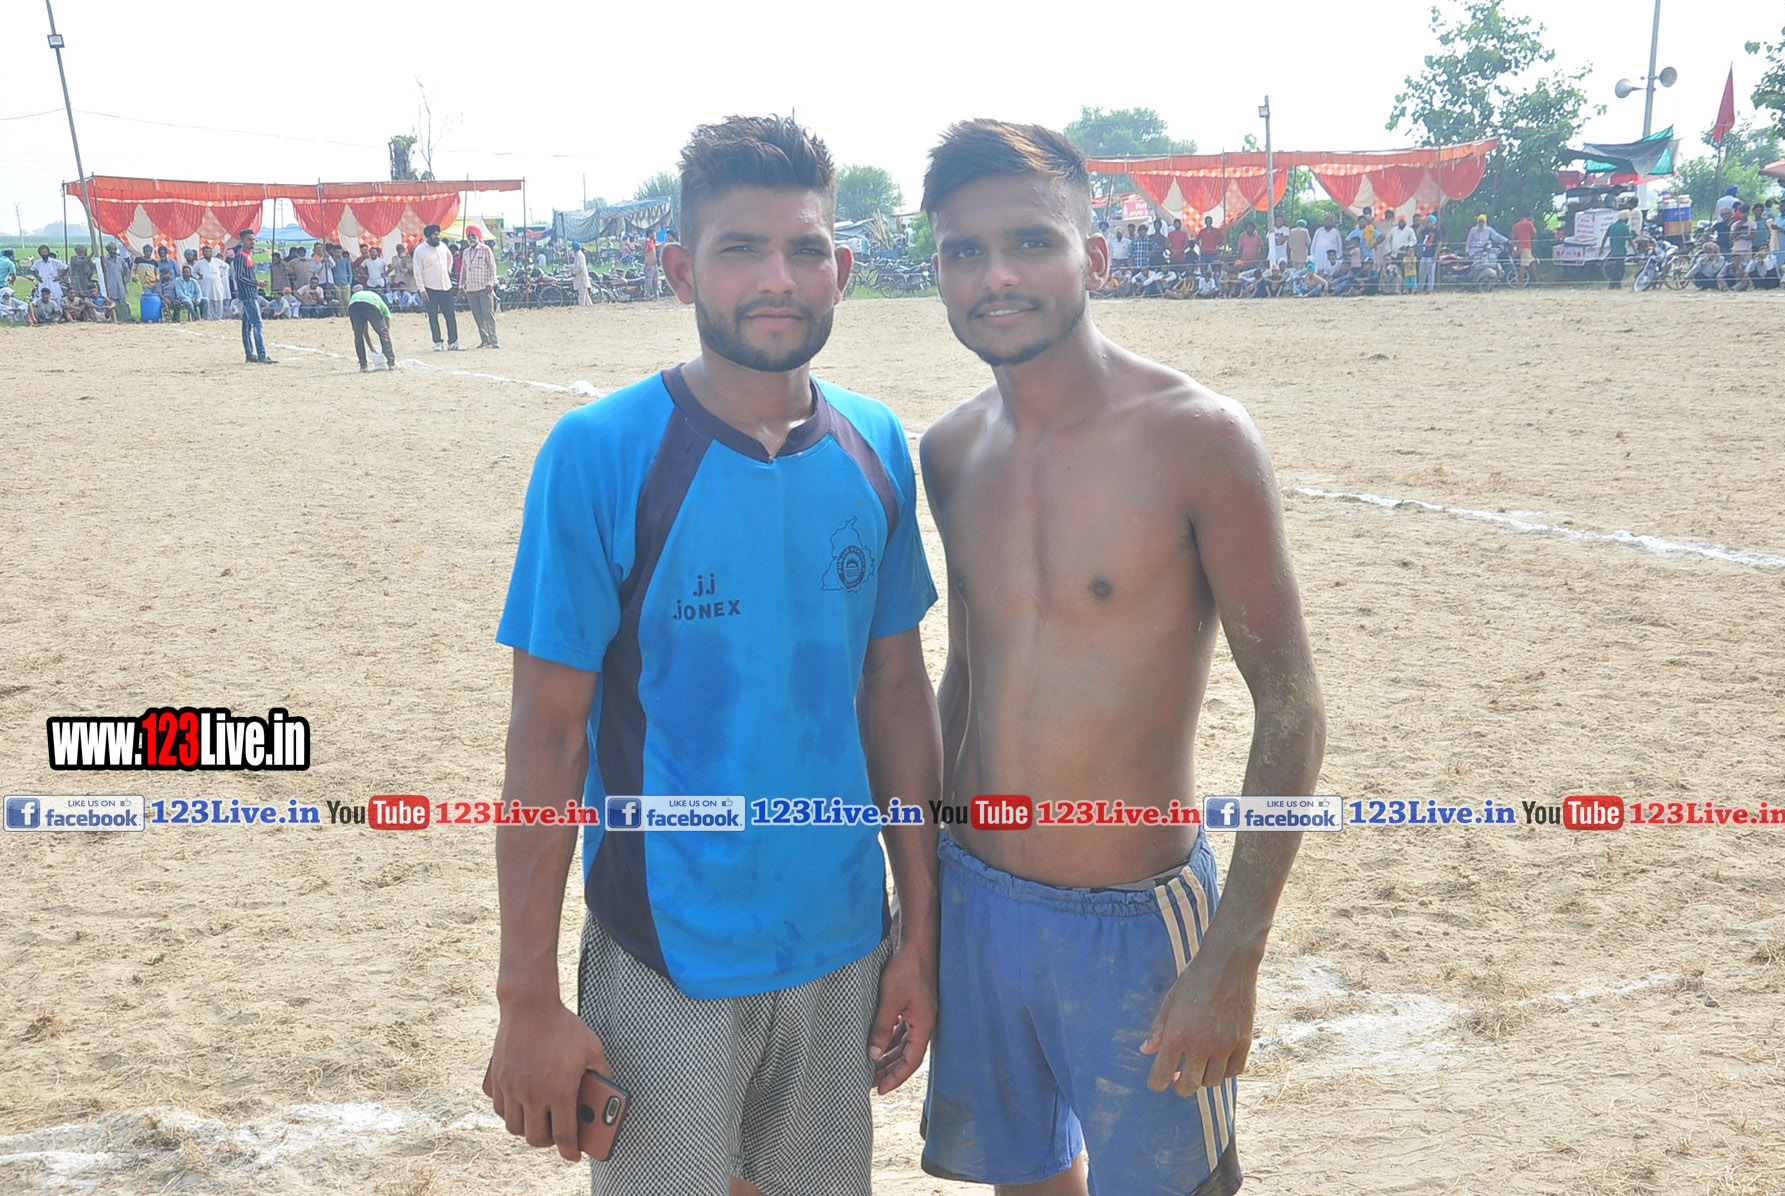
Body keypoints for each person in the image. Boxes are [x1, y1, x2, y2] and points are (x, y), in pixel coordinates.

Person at [487, 114, 939, 1196]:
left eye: (806, 249)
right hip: (666, 953)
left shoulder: (877, 444)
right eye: (741, 248)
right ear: (681, 269)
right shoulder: (600, 452)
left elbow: (894, 692)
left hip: (844, 944)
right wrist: (526, 997)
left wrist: (920, 932)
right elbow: (547, 736)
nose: (778, 278)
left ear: (843, 271)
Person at [918, 117, 1325, 1196]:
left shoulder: (1199, 437)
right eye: (965, 251)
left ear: (1094, 256)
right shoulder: (950, 449)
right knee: (1026, 1180)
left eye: (1031, 242)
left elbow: (1291, 707)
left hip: (1138, 919)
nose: (997, 276)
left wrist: (1232, 952)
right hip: (978, 900)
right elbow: (967, 673)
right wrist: (927, 892)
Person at [414, 224, 463, 350]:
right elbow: (417, 271)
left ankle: (453, 342)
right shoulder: (420, 250)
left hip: (445, 286)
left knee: (450, 314)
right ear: (428, 236)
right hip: (429, 288)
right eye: (435, 235)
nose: (437, 237)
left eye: (438, 234)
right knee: (433, 316)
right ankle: (438, 342)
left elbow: (450, 257)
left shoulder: (443, 246)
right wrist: (421, 289)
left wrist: (447, 270)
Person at [232, 229, 276, 364]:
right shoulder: (241, 256)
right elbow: (239, 277)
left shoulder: (248, 255)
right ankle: (261, 355)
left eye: (253, 239)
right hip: (248, 295)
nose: (252, 242)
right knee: (257, 324)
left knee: (247, 326)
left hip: (251, 293)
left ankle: (250, 354)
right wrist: (256, 282)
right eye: (249, 239)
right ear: (243, 241)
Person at [459, 225, 501, 349]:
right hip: (471, 290)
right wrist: (461, 286)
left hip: (484, 288)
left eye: (473, 235)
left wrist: (490, 283)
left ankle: (494, 341)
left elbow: (492, 268)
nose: (471, 238)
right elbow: (463, 270)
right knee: (478, 317)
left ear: (478, 236)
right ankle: (485, 340)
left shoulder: (485, 249)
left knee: (488, 315)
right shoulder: (466, 252)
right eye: (469, 236)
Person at [348, 286, 398, 370]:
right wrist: (385, 334)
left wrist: (371, 347)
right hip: (370, 304)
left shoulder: (355, 296)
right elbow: (387, 316)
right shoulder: (378, 299)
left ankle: (363, 365)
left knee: (358, 335)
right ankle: (391, 363)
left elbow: (365, 331)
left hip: (353, 306)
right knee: (384, 333)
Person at [1602, 212, 1631, 288]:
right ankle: (1613, 284)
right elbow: (1630, 240)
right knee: (1621, 269)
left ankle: (1616, 284)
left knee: (1617, 268)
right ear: (1625, 218)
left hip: (1613, 251)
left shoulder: (1612, 226)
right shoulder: (1625, 227)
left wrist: (1602, 248)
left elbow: (1605, 238)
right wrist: (1636, 250)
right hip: (1621, 251)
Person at [1510, 213, 1538, 285]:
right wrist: (1532, 223)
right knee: (1523, 265)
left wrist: (1513, 250)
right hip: (1527, 246)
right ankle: (1520, 282)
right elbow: (1534, 232)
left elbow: (1513, 238)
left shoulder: (1516, 225)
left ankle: (1537, 280)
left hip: (1519, 246)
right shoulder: (1529, 224)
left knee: (1532, 262)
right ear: (1529, 216)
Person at [1416, 214, 1440, 293]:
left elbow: (1439, 244)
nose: (1428, 223)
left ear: (1433, 222)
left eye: (1430, 222)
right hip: (1424, 254)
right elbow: (1418, 233)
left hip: (1431, 255)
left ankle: (1430, 290)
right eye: (1428, 222)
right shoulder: (1425, 230)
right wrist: (1422, 225)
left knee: (1430, 273)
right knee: (1421, 273)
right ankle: (1420, 289)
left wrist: (1435, 255)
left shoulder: (1437, 231)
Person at [571, 240, 592, 305]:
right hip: (581, 279)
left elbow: (580, 266)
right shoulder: (578, 255)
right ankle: (591, 307)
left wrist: (574, 273)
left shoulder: (579, 255)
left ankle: (581, 308)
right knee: (586, 297)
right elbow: (575, 266)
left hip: (581, 279)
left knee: (581, 297)